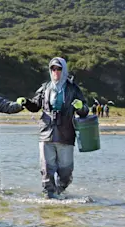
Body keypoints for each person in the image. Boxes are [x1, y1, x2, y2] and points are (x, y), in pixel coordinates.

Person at [20, 57, 89, 198]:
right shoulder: (45, 87)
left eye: (59, 69)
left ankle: (60, 190)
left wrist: (81, 107)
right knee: (46, 168)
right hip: (46, 133)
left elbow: (85, 111)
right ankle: (49, 195)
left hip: (66, 135)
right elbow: (35, 106)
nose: (56, 72)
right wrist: (26, 102)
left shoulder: (73, 89)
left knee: (66, 171)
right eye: (53, 69)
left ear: (64, 70)